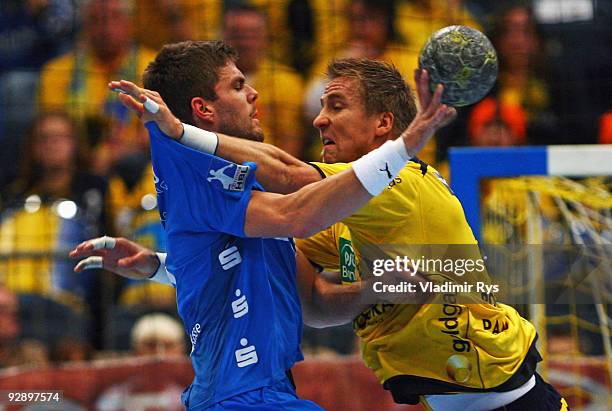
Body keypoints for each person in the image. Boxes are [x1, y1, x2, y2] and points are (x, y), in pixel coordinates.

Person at [71, 40, 452, 410]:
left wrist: (377, 288)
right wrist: (407, 144)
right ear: (203, 108)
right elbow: (297, 212)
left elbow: (314, 300)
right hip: (241, 395)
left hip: (258, 391)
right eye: (237, 85)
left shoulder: (229, 176)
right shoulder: (200, 170)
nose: (254, 93)